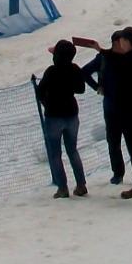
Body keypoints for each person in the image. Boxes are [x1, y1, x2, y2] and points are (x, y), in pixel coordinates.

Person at [78, 27, 132, 199]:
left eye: (122, 40)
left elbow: (118, 65)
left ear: (127, 42)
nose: (120, 43)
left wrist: (101, 51)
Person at [37, 39, 89, 198]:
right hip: (72, 114)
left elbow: (40, 92)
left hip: (53, 116)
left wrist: (47, 102)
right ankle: (81, 185)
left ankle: (62, 188)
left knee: (55, 154)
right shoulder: (75, 69)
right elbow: (81, 89)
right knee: (72, 150)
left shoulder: (51, 71)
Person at [78, 30, 129, 186]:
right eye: (123, 42)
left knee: (131, 142)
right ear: (115, 43)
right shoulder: (104, 58)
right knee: (114, 142)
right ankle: (118, 173)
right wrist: (97, 87)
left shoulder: (119, 57)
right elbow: (84, 72)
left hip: (127, 105)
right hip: (112, 106)